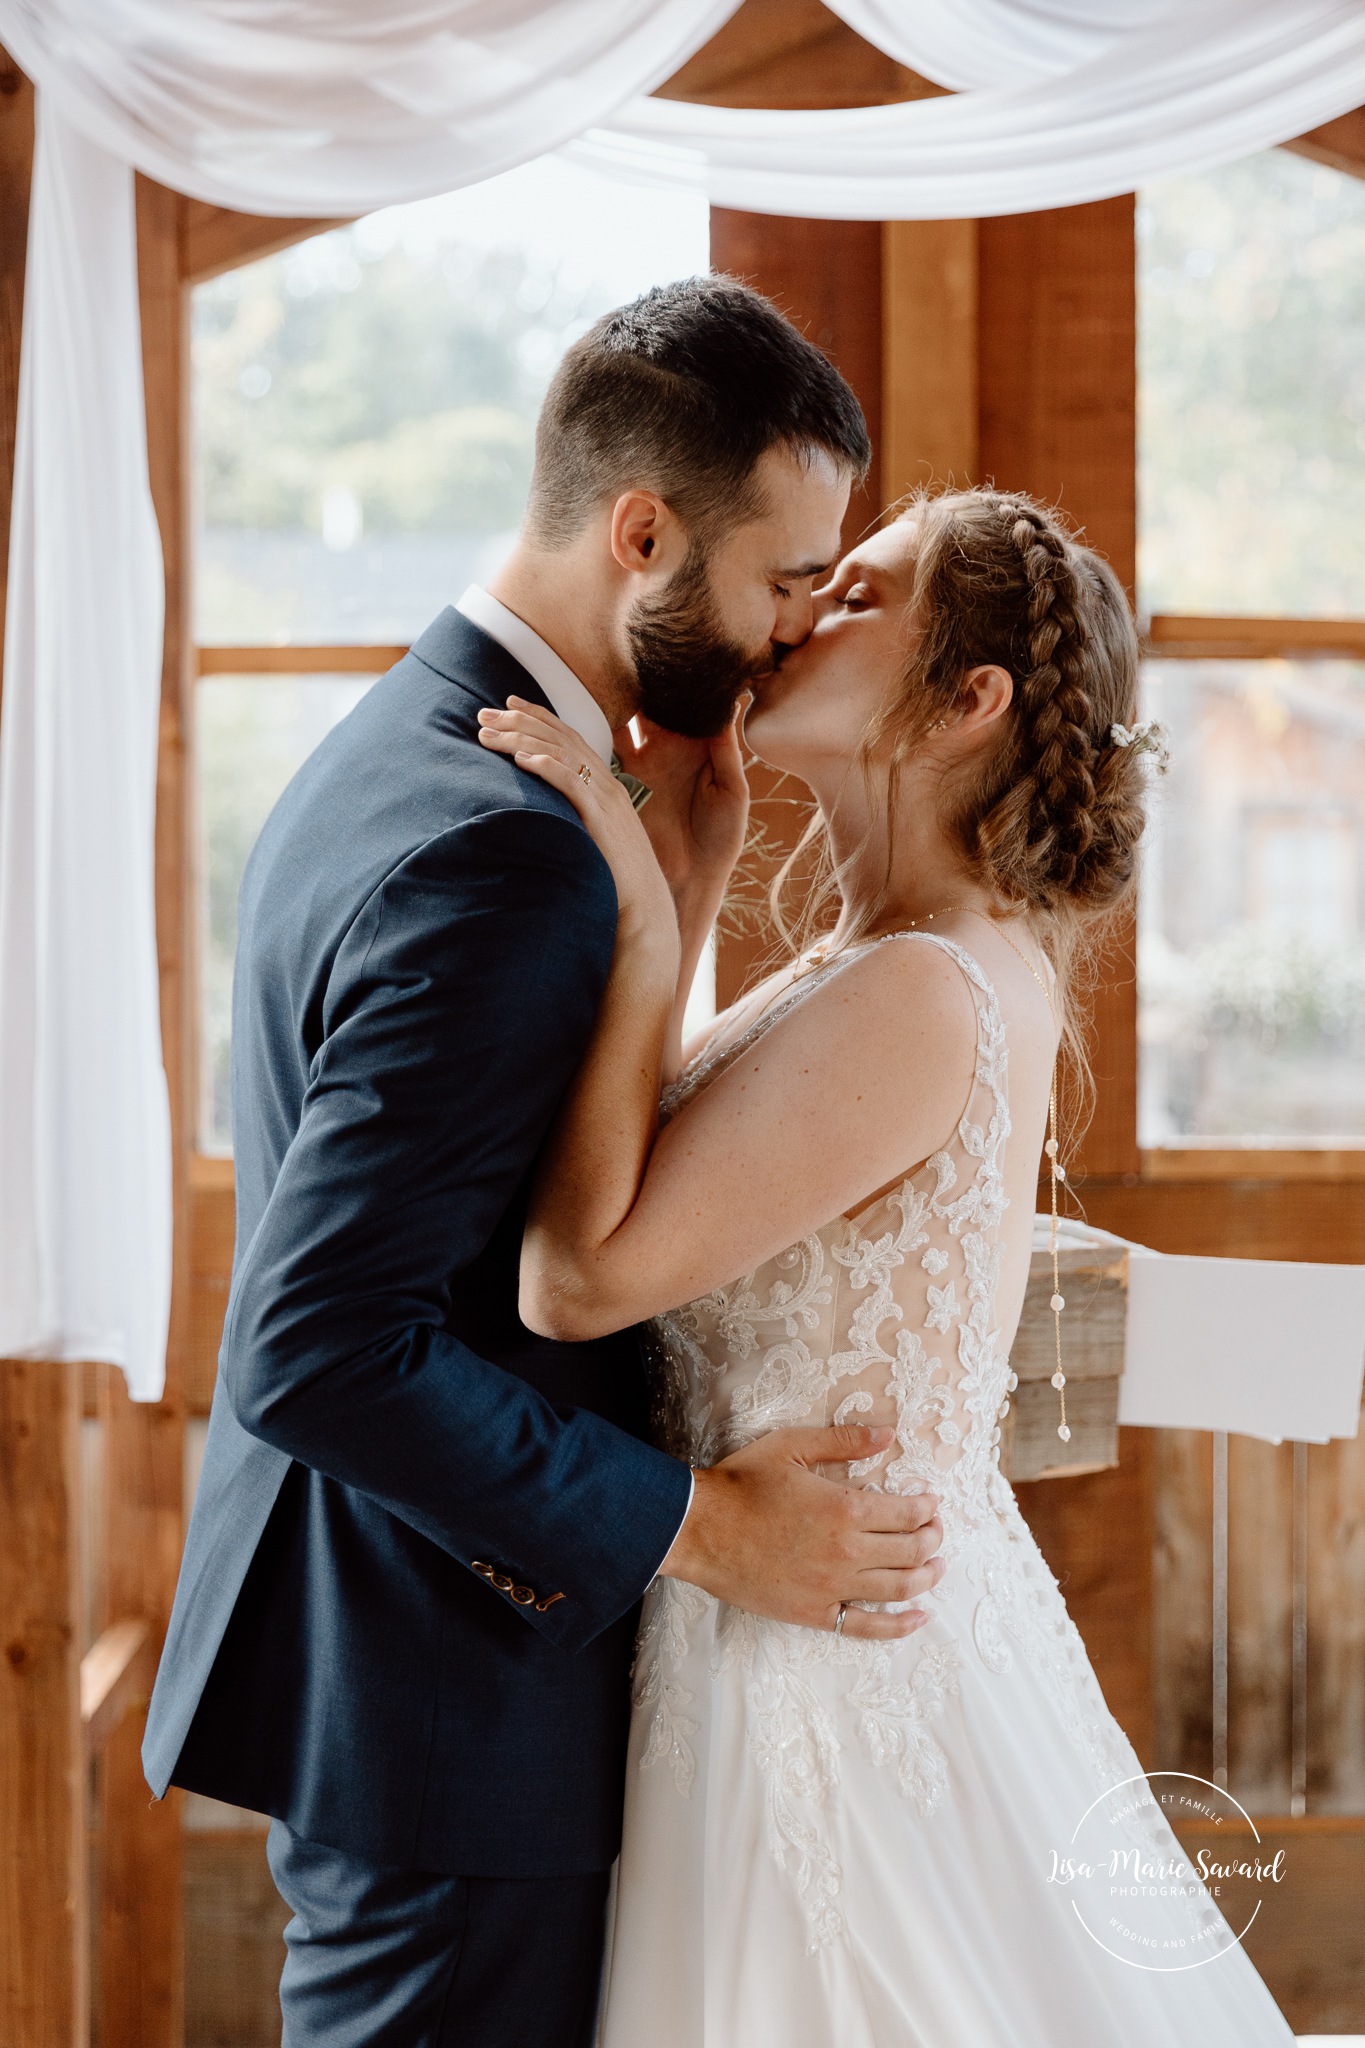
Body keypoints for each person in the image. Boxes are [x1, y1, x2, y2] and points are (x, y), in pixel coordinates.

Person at [142, 275, 945, 2048]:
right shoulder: (500, 852)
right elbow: (321, 1346)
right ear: (642, 532)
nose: (794, 633)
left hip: (409, 1671)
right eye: (780, 581)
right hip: (448, 1704)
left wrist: (684, 895)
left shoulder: (405, 745)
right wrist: (705, 1528)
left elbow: (502, 1182)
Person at [477, 486, 1298, 2046]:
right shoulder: (871, 963)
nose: (796, 616)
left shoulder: (921, 990)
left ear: (967, 702)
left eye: (858, 599)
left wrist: (645, 931)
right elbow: (661, 1169)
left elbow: (577, 1281)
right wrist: (697, 871)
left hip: (831, 1674)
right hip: (775, 1618)